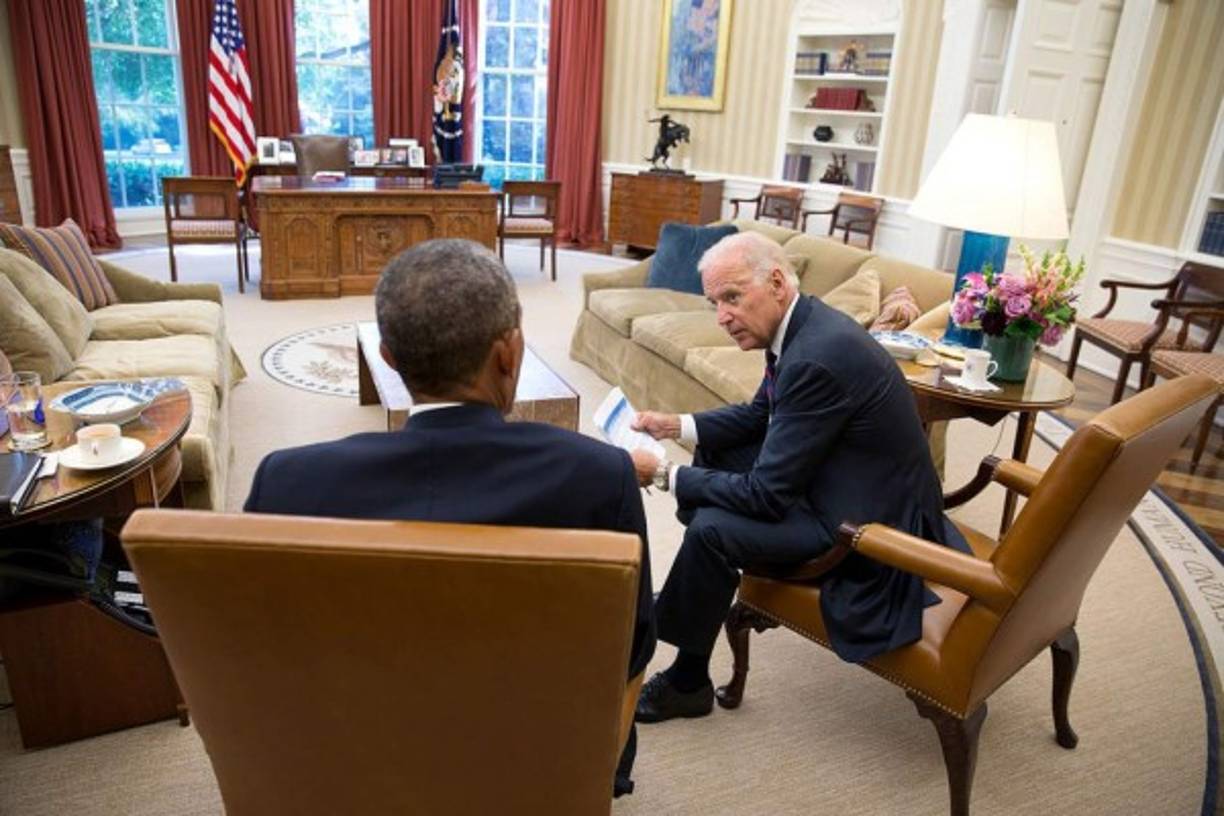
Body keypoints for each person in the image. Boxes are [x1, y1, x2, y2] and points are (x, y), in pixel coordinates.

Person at [245, 239, 656, 796]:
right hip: (533, 763)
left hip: (355, 760)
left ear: (388, 358)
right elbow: (632, 649)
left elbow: (263, 650)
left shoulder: (287, 481)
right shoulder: (599, 475)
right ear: (509, 353)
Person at [628, 231, 967, 723]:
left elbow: (766, 495)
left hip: (866, 527)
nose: (722, 316)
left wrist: (662, 472)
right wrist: (673, 425)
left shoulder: (815, 357)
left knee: (710, 531)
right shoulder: (801, 325)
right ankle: (697, 589)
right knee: (717, 450)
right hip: (845, 478)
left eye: (732, 297)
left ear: (777, 283)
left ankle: (687, 681)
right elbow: (758, 415)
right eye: (715, 303)